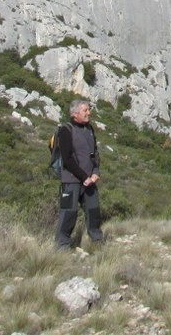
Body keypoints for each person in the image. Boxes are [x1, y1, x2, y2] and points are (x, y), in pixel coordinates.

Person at [54, 99, 104, 249]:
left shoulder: (90, 129)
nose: (89, 113)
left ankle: (97, 242)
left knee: (94, 211)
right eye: (85, 111)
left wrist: (95, 172)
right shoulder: (65, 130)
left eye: (89, 110)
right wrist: (84, 177)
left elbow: (94, 154)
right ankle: (62, 246)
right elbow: (67, 160)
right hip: (71, 181)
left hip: (90, 181)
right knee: (68, 213)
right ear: (75, 114)